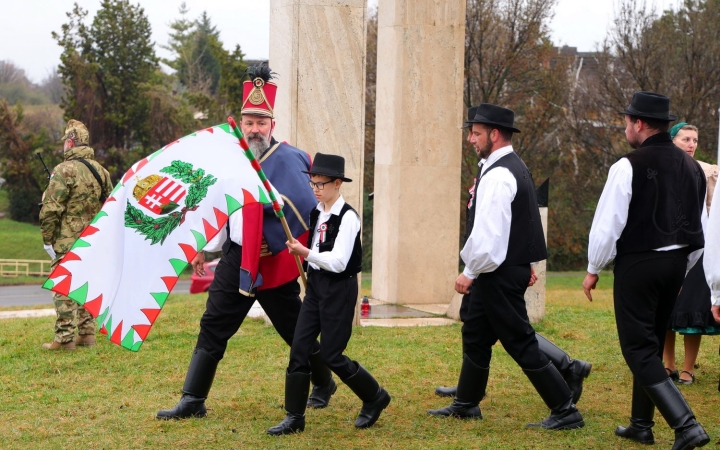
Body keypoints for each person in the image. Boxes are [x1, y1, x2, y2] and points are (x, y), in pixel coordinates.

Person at [157, 65, 336, 420]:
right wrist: (206, 250)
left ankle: (324, 382)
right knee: (213, 323)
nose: (254, 129)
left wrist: (275, 238)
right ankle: (193, 400)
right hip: (237, 257)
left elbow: (307, 207)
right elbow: (221, 208)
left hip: (273, 261)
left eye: (261, 122)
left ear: (272, 123)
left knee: (294, 329)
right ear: (240, 122)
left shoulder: (291, 159)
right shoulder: (232, 159)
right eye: (248, 122)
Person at [428, 103, 584, 431]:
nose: (471, 138)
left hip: (495, 270)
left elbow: (490, 234)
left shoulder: (499, 174)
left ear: (494, 134)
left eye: (476, 133)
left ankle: (565, 409)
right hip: (502, 268)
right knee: (475, 333)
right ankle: (467, 403)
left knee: (520, 340)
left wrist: (469, 272)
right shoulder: (510, 166)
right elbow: (520, 224)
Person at [583, 92, 709, 449]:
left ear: (639, 124)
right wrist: (684, 269)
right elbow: (698, 229)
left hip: (638, 263)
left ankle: (686, 425)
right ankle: (641, 425)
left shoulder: (628, 165)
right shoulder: (691, 168)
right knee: (651, 345)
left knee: (637, 348)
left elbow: (608, 223)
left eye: (627, 121)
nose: (625, 127)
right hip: (675, 266)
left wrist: (594, 266)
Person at [267, 153, 390, 435]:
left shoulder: (348, 218)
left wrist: (306, 252)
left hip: (339, 289)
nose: (315, 190)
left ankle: (375, 396)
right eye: (312, 184)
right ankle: (294, 418)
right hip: (316, 288)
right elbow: (317, 256)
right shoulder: (316, 212)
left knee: (333, 355)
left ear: (337, 184)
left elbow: (338, 262)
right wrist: (307, 260)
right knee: (300, 348)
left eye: (320, 184)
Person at [39, 119, 113, 350]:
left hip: (66, 238)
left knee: (63, 284)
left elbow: (51, 209)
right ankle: (87, 334)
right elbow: (110, 205)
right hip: (93, 239)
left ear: (70, 142)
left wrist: (47, 239)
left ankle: (64, 338)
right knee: (87, 282)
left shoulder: (63, 170)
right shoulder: (101, 171)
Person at [663, 122, 720, 385]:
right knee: (665, 309)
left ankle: (687, 368)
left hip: (700, 248)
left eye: (695, 140)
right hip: (668, 246)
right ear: (672, 141)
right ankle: (668, 364)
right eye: (686, 139)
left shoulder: (709, 172)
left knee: (690, 309)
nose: (691, 144)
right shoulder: (661, 169)